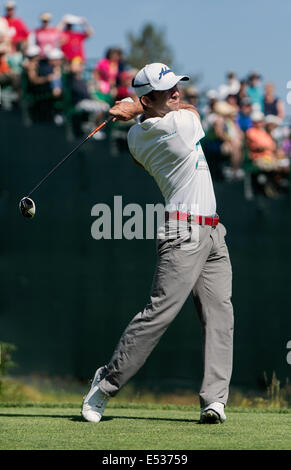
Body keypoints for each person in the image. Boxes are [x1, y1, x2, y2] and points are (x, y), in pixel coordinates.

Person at [82, 63, 234, 425]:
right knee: (158, 314)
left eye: (176, 87)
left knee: (220, 315)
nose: (178, 94)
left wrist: (139, 109)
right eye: (169, 91)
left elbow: (160, 117)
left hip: (213, 233)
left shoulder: (136, 138)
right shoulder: (179, 125)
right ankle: (105, 383)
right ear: (150, 99)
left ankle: (214, 400)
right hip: (183, 233)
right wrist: (140, 108)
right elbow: (193, 112)